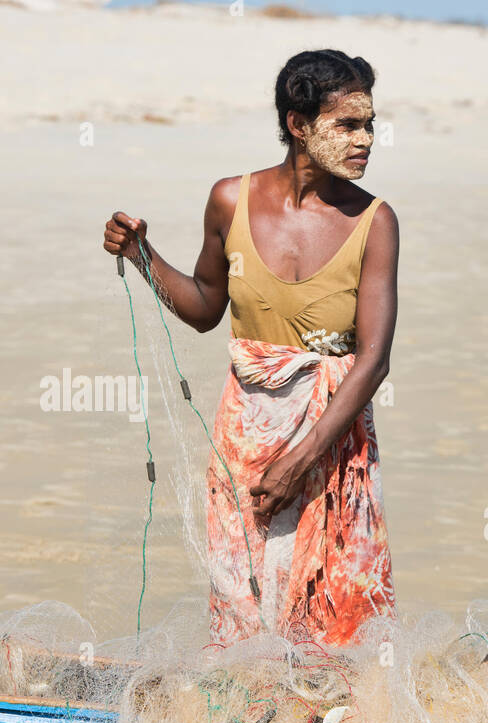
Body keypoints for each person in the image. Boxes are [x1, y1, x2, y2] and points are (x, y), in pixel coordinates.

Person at [101, 49, 397, 647]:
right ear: (298, 125)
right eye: (348, 124)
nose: (366, 139)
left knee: (335, 614)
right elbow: (207, 306)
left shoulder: (375, 221)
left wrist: (303, 459)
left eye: (370, 124)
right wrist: (140, 256)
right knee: (246, 612)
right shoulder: (230, 201)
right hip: (245, 443)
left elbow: (373, 359)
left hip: (333, 444)